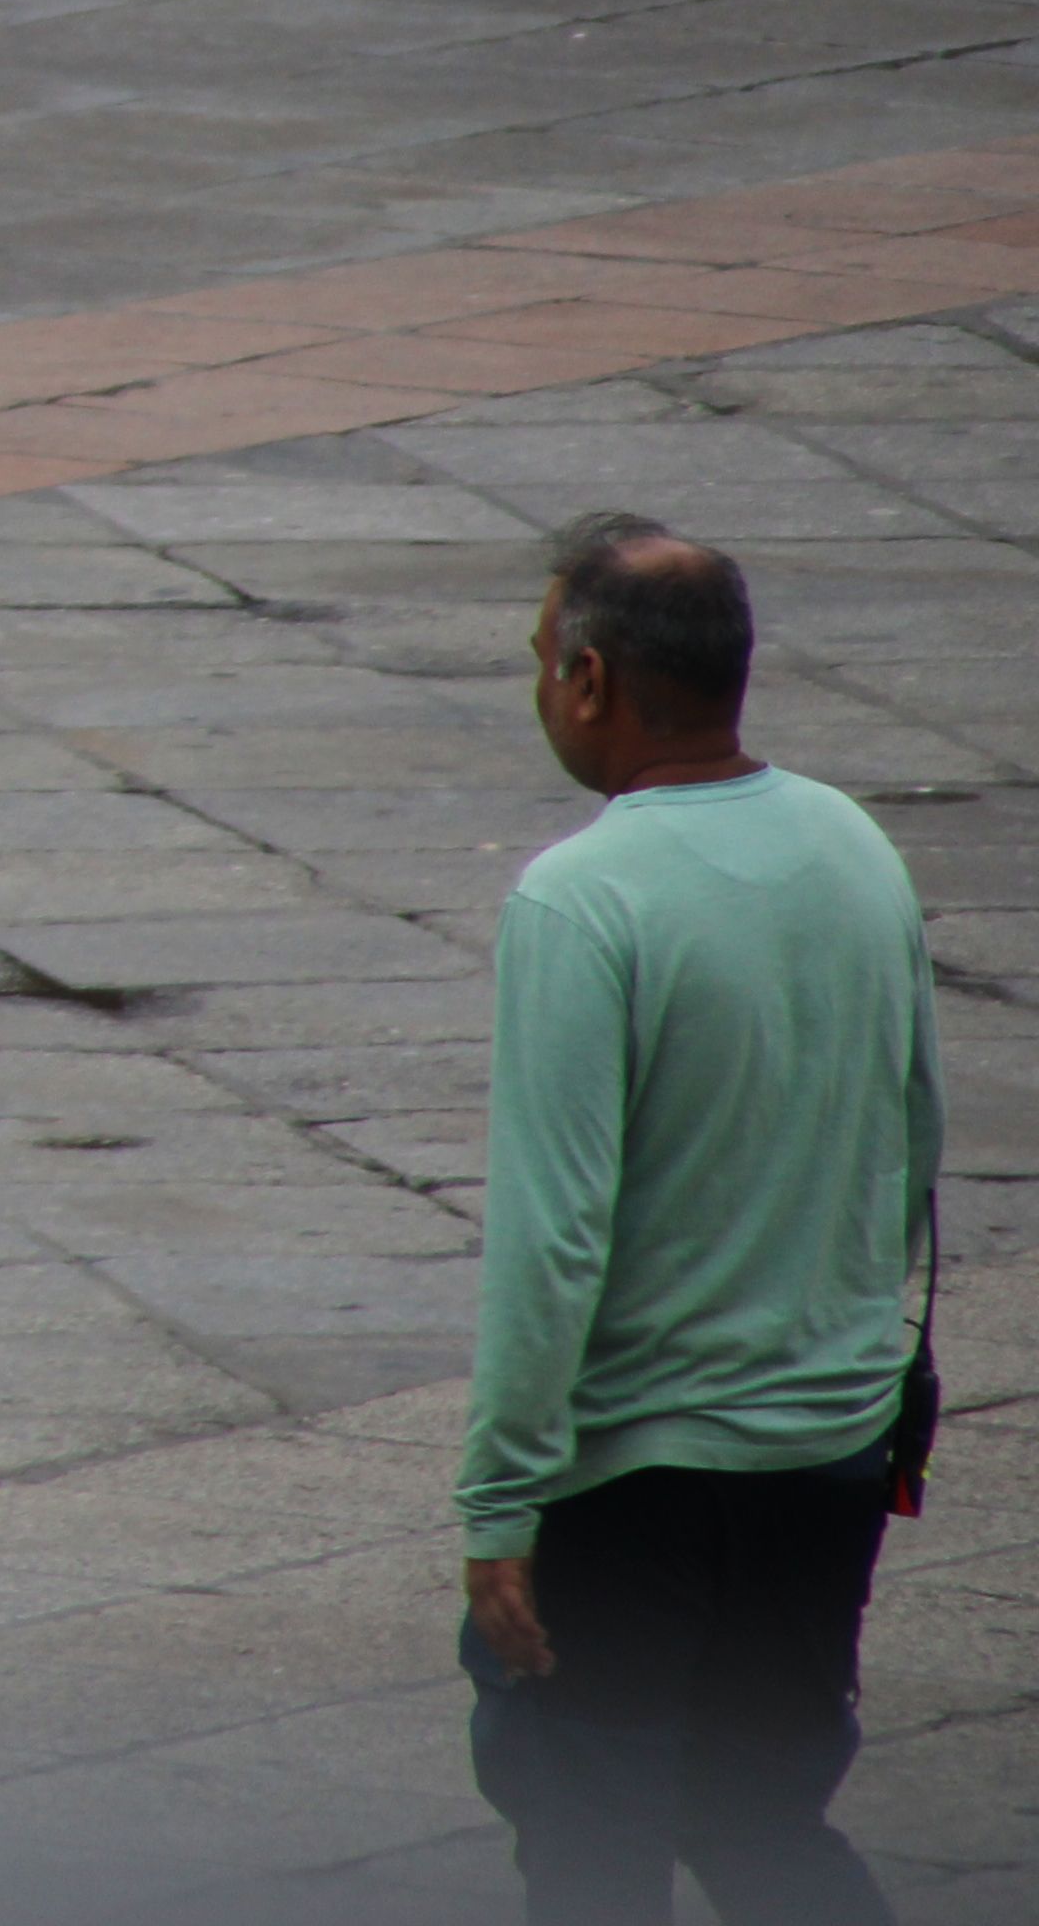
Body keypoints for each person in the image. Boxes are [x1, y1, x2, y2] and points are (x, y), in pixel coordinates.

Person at [462, 516, 940, 1924]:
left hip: (637, 1487)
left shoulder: (579, 898)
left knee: (591, 1845)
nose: (541, 688)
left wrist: (499, 1502)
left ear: (593, 681)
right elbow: (910, 1141)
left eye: (541, 660)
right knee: (765, 1829)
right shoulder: (853, 844)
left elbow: (552, 1238)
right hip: (829, 1457)